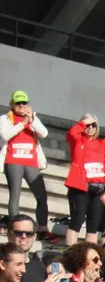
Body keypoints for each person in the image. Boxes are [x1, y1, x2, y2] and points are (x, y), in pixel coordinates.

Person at [5, 91, 49, 233]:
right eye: (18, 103)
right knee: (15, 196)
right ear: (12, 104)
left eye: (24, 103)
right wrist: (22, 124)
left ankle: (43, 229)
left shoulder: (33, 119)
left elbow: (44, 133)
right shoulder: (5, 119)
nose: (22, 106)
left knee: (41, 196)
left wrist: (31, 121)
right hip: (13, 161)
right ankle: (14, 229)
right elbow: (5, 135)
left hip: (31, 162)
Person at [63, 115, 105, 242]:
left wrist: (104, 173)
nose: (90, 127)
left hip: (98, 187)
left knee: (93, 226)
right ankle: (70, 253)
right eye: (87, 125)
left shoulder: (101, 144)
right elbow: (72, 133)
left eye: (93, 125)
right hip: (80, 186)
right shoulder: (77, 140)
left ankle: (90, 256)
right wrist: (84, 123)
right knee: (76, 222)